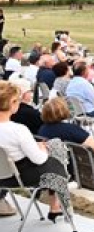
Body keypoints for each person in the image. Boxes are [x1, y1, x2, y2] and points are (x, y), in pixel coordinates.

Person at [0, 81, 71, 222]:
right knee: (56, 148)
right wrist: (43, 148)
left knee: (53, 148)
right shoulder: (18, 130)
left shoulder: (16, 130)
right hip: (21, 176)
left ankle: (55, 204)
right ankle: (57, 204)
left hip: (5, 174)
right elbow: (39, 160)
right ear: (12, 102)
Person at [38, 97, 94, 171]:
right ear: (64, 111)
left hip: (59, 167)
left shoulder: (42, 130)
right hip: (78, 167)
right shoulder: (70, 129)